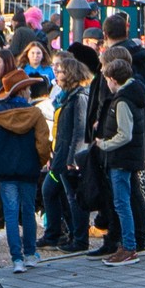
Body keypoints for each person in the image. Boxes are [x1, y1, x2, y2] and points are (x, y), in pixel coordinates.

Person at [0, 54, 53, 270]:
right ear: (21, 91)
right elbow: (43, 144)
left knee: (10, 213)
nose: (30, 92)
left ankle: (16, 259)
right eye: (28, 89)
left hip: (5, 169)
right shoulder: (35, 114)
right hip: (28, 169)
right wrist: (39, 162)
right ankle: (30, 254)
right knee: (28, 211)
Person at [88, 52, 145, 263]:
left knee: (121, 203)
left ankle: (129, 247)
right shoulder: (135, 93)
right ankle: (130, 244)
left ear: (113, 80)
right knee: (126, 201)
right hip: (128, 157)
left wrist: (104, 144)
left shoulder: (123, 100)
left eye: (107, 80)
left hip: (121, 158)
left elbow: (125, 134)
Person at [44, 55, 94, 258]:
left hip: (69, 158)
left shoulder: (79, 97)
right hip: (60, 155)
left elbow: (79, 131)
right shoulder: (67, 96)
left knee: (74, 199)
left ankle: (80, 239)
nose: (58, 74)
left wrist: (73, 160)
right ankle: (60, 234)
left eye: (62, 71)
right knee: (52, 192)